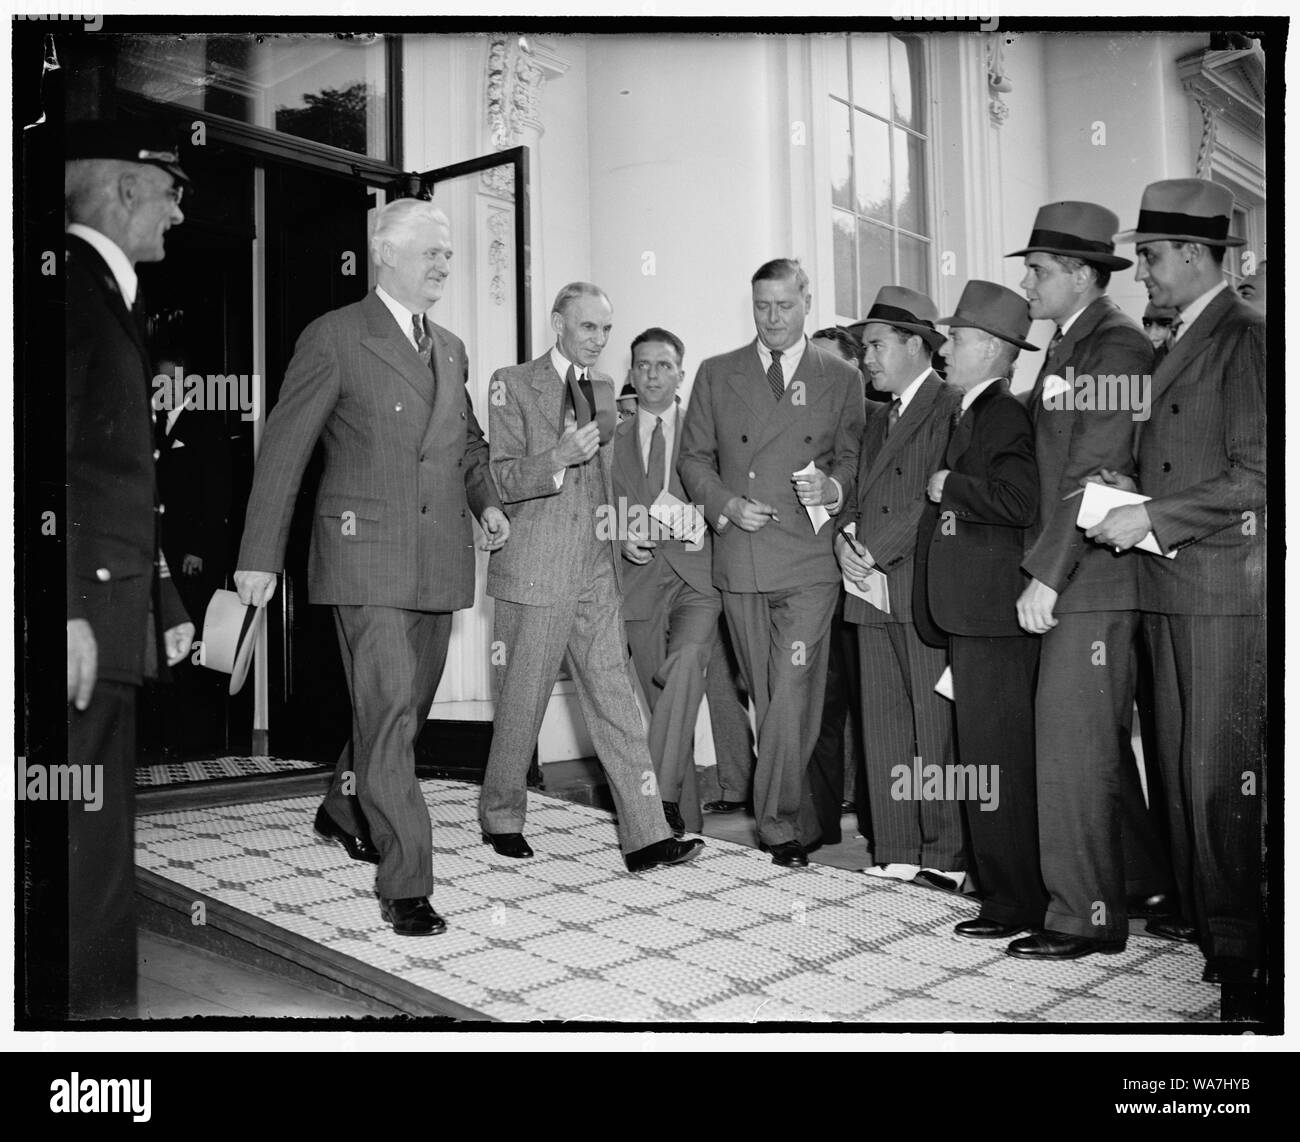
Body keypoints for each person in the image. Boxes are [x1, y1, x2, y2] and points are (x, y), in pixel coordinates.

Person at [235, 198, 509, 937]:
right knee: (389, 716)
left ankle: (339, 806)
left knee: (401, 715)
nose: (445, 265)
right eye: (432, 252)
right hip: (365, 558)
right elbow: (285, 450)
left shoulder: (448, 347)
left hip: (438, 561)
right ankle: (407, 881)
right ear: (385, 253)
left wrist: (485, 503)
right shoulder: (334, 337)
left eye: (449, 254)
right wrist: (258, 557)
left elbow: (468, 447)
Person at [1088, 179, 1266, 986]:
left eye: (1151, 257)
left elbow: (1260, 473)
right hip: (1170, 588)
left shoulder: (1248, 337)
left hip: (1222, 590)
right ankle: (1201, 913)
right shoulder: (1182, 339)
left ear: (1196, 255)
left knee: (1216, 774)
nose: (1141, 273)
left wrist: (1153, 515)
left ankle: (1242, 953)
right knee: (1175, 764)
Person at [480, 284, 704, 872]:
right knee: (521, 703)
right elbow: (498, 477)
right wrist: (555, 457)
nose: (600, 341)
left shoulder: (605, 391)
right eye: (588, 328)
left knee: (617, 703)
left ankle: (648, 835)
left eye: (606, 330)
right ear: (558, 324)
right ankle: (501, 816)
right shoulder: (512, 382)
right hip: (535, 569)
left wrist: (621, 528)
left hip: (595, 572)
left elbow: (605, 482)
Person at [1005, 202, 1172, 962]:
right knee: (1092, 741)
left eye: (1038, 270)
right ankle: (1142, 880)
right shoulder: (1071, 345)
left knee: (1072, 747)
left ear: (1080, 274)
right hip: (1080, 568)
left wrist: (1048, 575)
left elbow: (1094, 472)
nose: (1028, 282)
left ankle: (1083, 916)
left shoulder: (1115, 348)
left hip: (1092, 576)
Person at [64, 121, 194, 1016]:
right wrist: (61, 605)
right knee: (82, 829)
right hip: (80, 621)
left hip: (111, 612)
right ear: (121, 191)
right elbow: (41, 460)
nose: (180, 213)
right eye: (170, 192)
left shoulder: (107, 295)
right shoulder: (69, 293)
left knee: (99, 823)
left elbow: (115, 485)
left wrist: (165, 600)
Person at [680, 258, 864, 867]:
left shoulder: (839, 376)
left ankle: (777, 823)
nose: (773, 318)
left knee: (788, 687)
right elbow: (693, 460)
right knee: (768, 693)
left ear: (806, 301)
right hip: (742, 554)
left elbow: (853, 458)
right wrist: (726, 503)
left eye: (785, 306)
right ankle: (798, 812)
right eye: (763, 306)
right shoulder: (715, 372)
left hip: (808, 560)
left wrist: (833, 490)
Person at [919, 280, 1043, 936]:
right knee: (984, 759)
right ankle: (1003, 891)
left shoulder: (1002, 414)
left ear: (993, 350)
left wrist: (952, 486)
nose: (947, 347)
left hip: (991, 622)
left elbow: (1020, 500)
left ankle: (1013, 903)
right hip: (976, 617)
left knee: (996, 762)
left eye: (959, 339)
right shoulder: (974, 409)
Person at [834, 286, 964, 889]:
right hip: (868, 588)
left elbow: (934, 498)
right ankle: (895, 847)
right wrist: (842, 540)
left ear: (917, 345)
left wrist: (870, 553)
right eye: (864, 348)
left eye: (877, 346)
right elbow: (854, 495)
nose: (867, 358)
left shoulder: (952, 406)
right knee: (883, 725)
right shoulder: (876, 415)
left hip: (919, 590)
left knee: (932, 728)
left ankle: (943, 857)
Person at [614, 327, 719, 837]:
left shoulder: (706, 432)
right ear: (631, 372)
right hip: (638, 583)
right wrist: (617, 538)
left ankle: (654, 805)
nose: (652, 374)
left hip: (698, 578)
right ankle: (681, 823)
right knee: (665, 712)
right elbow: (594, 509)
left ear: (681, 372)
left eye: (663, 365)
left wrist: (685, 520)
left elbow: (723, 497)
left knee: (686, 665)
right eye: (642, 365)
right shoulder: (609, 438)